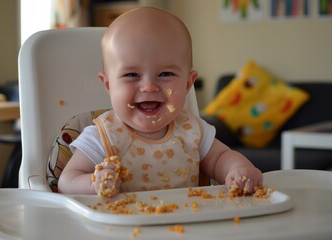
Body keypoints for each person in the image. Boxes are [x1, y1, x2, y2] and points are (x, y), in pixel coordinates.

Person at [58, 7, 262, 196]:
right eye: (131, 75)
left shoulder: (193, 131)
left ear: (188, 83)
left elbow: (220, 159)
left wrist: (238, 168)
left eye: (165, 74)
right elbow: (67, 181)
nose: (149, 87)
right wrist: (94, 183)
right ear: (109, 85)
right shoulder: (103, 136)